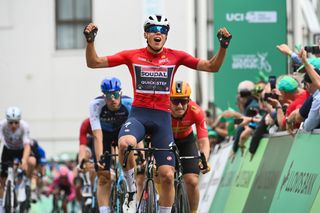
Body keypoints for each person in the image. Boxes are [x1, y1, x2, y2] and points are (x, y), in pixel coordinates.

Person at [84, 14, 232, 213]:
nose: (158, 33)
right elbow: (94, 62)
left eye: (163, 30)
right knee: (124, 144)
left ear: (166, 36)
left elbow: (212, 67)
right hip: (139, 115)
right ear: (146, 34)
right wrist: (90, 41)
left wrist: (223, 47)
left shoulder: (175, 56)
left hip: (162, 119)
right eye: (153, 29)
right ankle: (129, 189)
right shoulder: (132, 55)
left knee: (168, 176)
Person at [89, 77, 132, 213]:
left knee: (129, 149)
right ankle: (104, 210)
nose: (112, 99)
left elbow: (136, 131)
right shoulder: (95, 105)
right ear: (104, 96)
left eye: (116, 94)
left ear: (121, 93)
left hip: (122, 134)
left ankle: (132, 190)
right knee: (103, 176)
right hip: (105, 136)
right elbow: (97, 135)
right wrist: (100, 158)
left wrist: (140, 154)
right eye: (108, 95)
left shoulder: (129, 103)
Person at [170, 81, 210, 213]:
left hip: (186, 141)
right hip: (167, 140)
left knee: (192, 181)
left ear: (189, 100)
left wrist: (204, 159)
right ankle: (161, 201)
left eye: (184, 100)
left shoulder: (196, 111)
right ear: (169, 100)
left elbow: (203, 140)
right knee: (163, 174)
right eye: (175, 101)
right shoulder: (162, 109)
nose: (180, 105)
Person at [0, 107, 37, 211]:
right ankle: (2, 203)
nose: (13, 126)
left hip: (21, 149)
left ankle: (26, 181)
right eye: (10, 123)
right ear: (7, 121)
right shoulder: (2, 125)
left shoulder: (24, 126)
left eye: (16, 122)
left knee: (31, 161)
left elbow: (27, 145)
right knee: (1, 179)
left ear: (19, 121)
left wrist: (24, 160)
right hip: (8, 149)